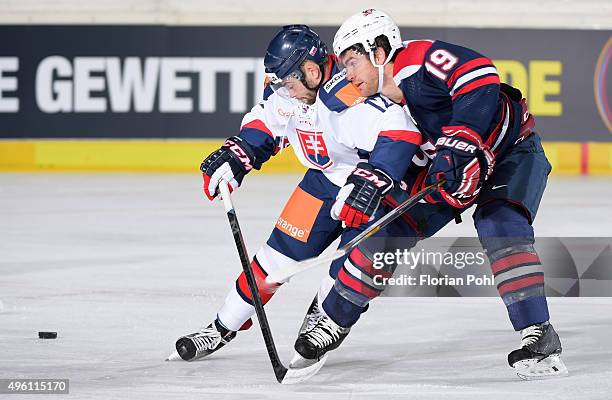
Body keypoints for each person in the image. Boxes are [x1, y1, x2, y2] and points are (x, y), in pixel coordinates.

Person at [290, 9, 566, 379]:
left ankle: (539, 335)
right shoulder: (364, 100)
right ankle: (333, 321)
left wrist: (462, 138)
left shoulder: (416, 60)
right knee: (383, 234)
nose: (349, 74)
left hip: (508, 152)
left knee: (500, 223)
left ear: (380, 51)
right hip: (445, 169)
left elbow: (480, 73)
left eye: (353, 61)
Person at [171, 24, 422, 367]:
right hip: (321, 184)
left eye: (288, 80)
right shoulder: (290, 94)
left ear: (312, 69)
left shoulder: (352, 93)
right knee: (272, 263)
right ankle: (221, 326)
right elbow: (264, 125)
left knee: (348, 268)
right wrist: (238, 154)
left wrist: (375, 179)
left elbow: (401, 132)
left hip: (367, 189)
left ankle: (324, 318)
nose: (283, 89)